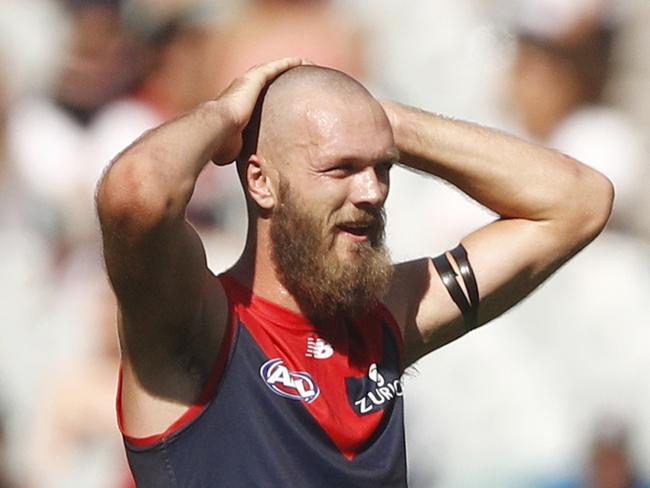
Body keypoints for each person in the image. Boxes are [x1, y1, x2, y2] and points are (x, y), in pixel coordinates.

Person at [96, 58, 613, 486]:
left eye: (382, 167)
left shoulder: (385, 317)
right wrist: (226, 113)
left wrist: (385, 124)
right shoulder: (201, 330)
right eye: (340, 168)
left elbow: (578, 201)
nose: (372, 193)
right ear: (261, 182)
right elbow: (135, 194)